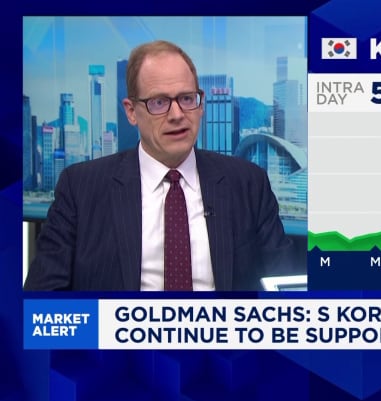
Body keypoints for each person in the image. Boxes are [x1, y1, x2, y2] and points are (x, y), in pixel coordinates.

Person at [24, 40, 292, 291]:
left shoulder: (248, 183)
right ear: (131, 111)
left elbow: (287, 292)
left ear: (201, 104)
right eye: (159, 102)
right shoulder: (80, 187)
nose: (177, 115)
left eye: (187, 99)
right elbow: (42, 304)